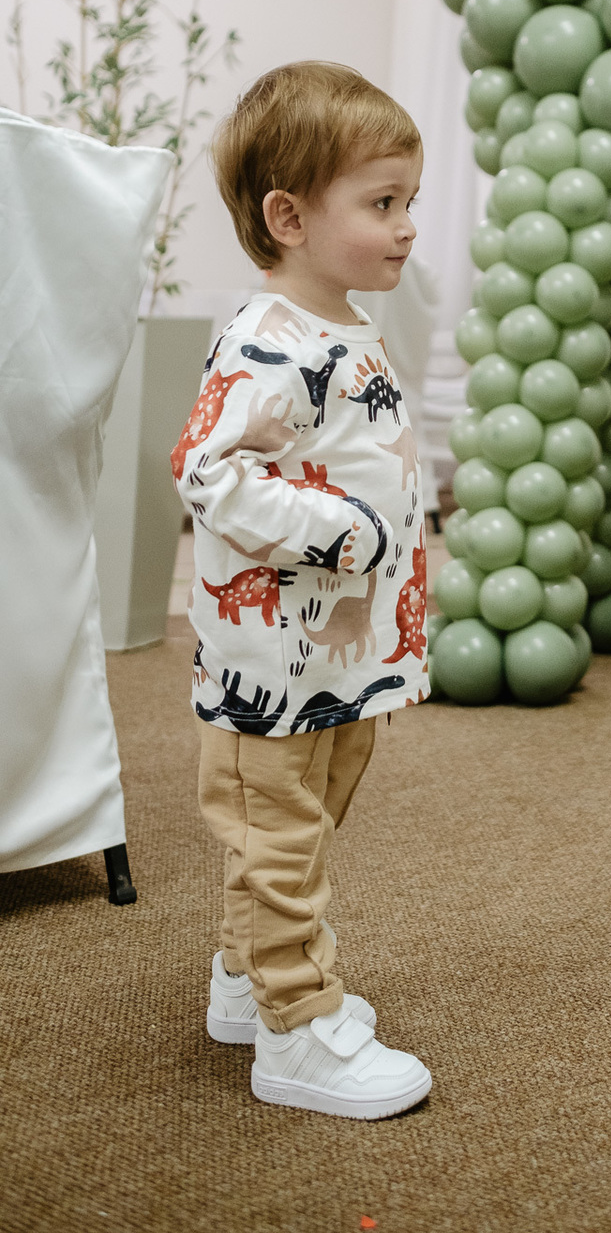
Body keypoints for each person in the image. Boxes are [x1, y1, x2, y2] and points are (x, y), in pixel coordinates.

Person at [172, 61, 431, 1121]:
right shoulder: (265, 345)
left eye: (408, 200)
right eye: (382, 203)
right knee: (278, 842)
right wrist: (349, 531)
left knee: (309, 820)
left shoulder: (342, 326)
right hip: (269, 666)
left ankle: (245, 977)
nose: (407, 227)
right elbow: (210, 472)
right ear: (288, 216)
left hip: (336, 656)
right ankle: (293, 1028)